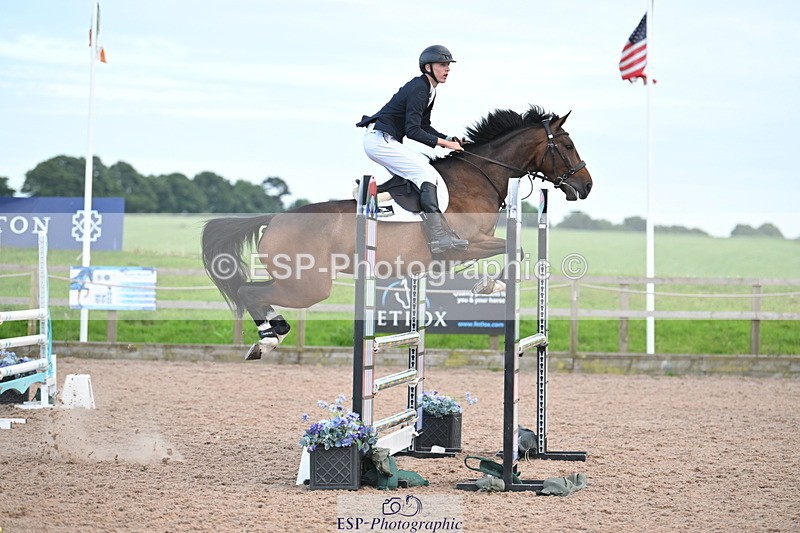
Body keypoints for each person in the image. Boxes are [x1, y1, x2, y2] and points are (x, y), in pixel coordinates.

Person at [356, 45, 468, 254]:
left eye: (448, 65)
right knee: (426, 174)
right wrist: (447, 145)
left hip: (384, 140)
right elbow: (413, 131)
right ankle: (438, 237)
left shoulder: (429, 89)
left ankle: (380, 198)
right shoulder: (420, 88)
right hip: (381, 140)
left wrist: (448, 138)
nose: (447, 69)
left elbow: (423, 126)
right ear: (428, 67)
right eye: (442, 65)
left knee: (418, 175)